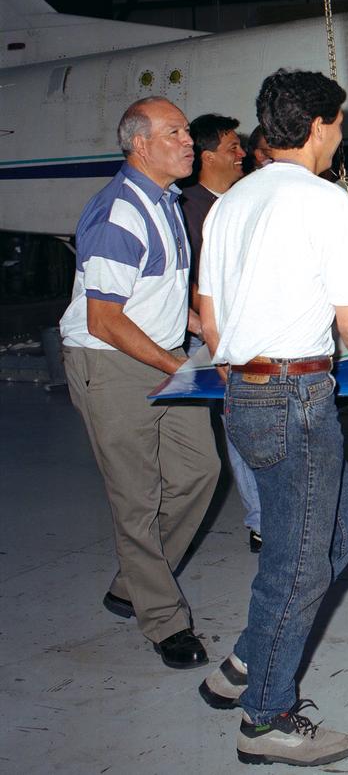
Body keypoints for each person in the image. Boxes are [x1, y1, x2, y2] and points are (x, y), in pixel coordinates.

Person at [195, 70, 348, 766]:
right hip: (294, 396)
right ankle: (266, 720)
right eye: (339, 122)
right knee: (299, 563)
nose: (343, 133)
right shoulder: (323, 201)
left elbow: (210, 317)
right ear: (316, 126)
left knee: (342, 532)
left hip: (247, 392)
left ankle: (245, 661)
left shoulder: (229, 202)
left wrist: (243, 374)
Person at [58, 96, 219, 669]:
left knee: (201, 472)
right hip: (112, 363)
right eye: (175, 132)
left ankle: (132, 581)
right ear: (140, 144)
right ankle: (163, 620)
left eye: (187, 132)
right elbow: (105, 318)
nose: (189, 142)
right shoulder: (118, 214)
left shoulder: (165, 201)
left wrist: (203, 333)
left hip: (161, 354)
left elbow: (163, 292)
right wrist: (180, 365)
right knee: (136, 500)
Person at [181, 114, 261, 553]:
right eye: (233, 148)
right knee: (238, 426)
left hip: (255, 332)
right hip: (218, 336)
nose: (242, 154)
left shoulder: (246, 199)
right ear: (207, 156)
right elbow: (190, 286)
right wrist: (218, 339)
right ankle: (261, 521)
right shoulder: (188, 208)